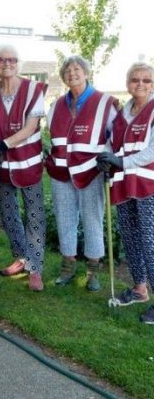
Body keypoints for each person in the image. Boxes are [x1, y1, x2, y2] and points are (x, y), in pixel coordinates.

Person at [46, 55, 118, 292]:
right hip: (60, 172)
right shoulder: (56, 105)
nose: (72, 73)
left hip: (91, 172)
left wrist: (107, 158)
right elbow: (52, 136)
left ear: (86, 73)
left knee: (92, 220)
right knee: (65, 218)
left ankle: (93, 271)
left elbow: (114, 137)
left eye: (77, 69)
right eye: (67, 70)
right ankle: (67, 267)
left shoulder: (105, 103)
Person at [0, 44, 47, 291]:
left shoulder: (33, 90)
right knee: (8, 215)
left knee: (34, 216)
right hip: (4, 166)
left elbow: (30, 128)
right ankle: (21, 258)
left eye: (12, 59)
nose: (7, 63)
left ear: (19, 63)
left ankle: (35, 269)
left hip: (29, 164)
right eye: (1, 60)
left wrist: (2, 145)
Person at [97, 62, 154, 324]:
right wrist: (107, 159)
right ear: (127, 82)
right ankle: (139, 289)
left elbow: (152, 152)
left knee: (150, 242)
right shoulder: (123, 113)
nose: (140, 84)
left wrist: (121, 162)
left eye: (146, 80)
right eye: (135, 79)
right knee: (131, 238)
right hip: (124, 184)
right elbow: (112, 142)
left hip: (147, 186)